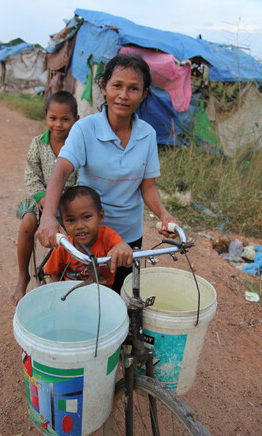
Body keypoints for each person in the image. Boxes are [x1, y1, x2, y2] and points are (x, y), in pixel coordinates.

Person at [36, 53, 178, 293]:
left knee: (120, 300)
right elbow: (60, 171)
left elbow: (148, 186)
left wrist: (164, 215)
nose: (123, 95)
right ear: (104, 87)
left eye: (133, 89)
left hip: (127, 236)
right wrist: (49, 216)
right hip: (86, 233)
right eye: (117, 86)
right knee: (78, 294)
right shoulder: (85, 128)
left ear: (143, 94)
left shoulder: (148, 134)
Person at [12, 91, 79, 305]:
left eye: (65, 119)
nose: (58, 124)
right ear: (46, 116)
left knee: (79, 228)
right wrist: (41, 196)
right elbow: (31, 173)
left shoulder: (78, 144)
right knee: (28, 222)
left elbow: (83, 176)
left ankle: (67, 275)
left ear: (76, 120)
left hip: (71, 201)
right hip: (41, 200)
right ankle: (23, 275)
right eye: (53, 118)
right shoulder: (38, 143)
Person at [45, 185, 132, 287]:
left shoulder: (108, 237)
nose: (79, 226)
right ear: (63, 223)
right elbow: (54, 272)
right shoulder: (64, 247)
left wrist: (124, 247)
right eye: (71, 220)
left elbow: (123, 251)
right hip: (72, 295)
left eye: (86, 217)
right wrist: (59, 290)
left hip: (103, 295)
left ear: (101, 216)